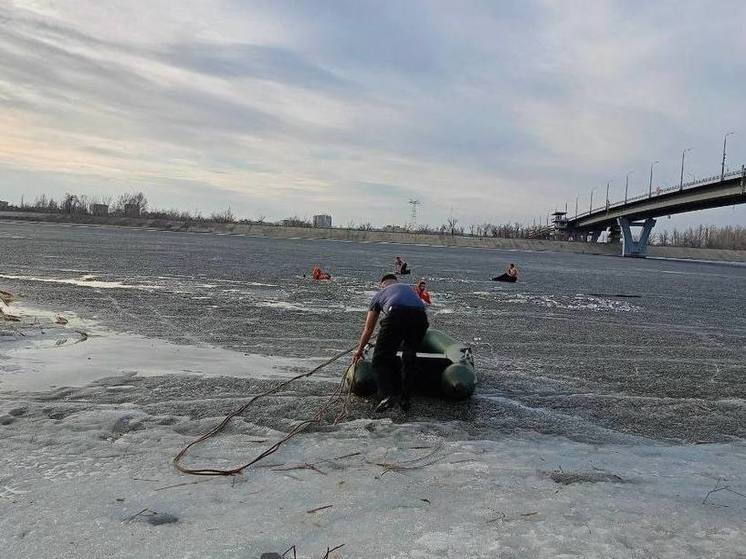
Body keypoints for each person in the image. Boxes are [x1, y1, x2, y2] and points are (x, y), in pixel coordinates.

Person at [352, 273, 429, 412]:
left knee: (380, 360)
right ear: (396, 281)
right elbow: (417, 307)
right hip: (420, 317)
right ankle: (405, 399)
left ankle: (387, 395)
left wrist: (359, 351)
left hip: (396, 314)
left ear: (382, 285)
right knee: (409, 358)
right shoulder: (408, 288)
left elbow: (368, 329)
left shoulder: (380, 294)